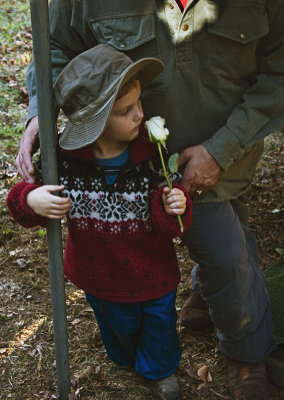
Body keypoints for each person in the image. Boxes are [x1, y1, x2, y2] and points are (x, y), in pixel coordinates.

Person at [15, 1, 284, 399]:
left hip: (212, 160)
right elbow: (54, 42)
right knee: (207, 263)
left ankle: (247, 356)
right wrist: (41, 112)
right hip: (117, 160)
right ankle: (205, 295)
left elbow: (278, 70)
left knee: (226, 255)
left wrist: (221, 152)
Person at [7, 44, 193, 400]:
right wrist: (32, 199)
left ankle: (158, 369)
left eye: (139, 103)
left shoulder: (153, 155)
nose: (140, 115)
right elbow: (19, 203)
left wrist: (174, 203)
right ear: (93, 126)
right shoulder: (63, 161)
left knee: (159, 325)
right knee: (117, 327)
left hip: (154, 271)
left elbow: (174, 225)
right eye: (126, 111)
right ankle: (125, 356)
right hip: (98, 273)